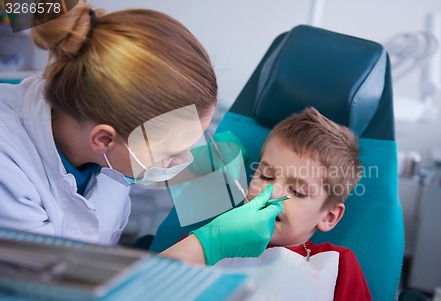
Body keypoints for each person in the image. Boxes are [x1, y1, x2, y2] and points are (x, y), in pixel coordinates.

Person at [0, 1, 283, 266]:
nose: (185, 159)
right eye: (171, 153)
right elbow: (55, 296)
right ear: (103, 140)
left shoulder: (112, 122)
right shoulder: (9, 176)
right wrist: (209, 245)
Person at [214, 107, 375, 301]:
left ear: (328, 217)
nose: (271, 192)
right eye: (266, 176)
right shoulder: (215, 235)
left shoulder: (337, 266)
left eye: (298, 191)